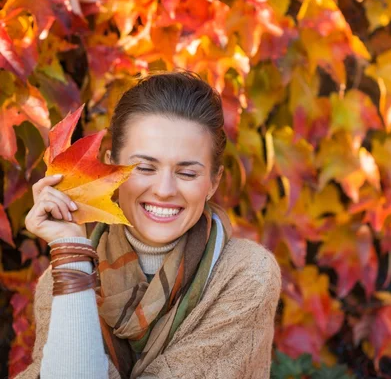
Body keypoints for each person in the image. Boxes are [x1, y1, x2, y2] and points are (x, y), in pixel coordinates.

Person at [17, 70, 281, 379]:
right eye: (144, 167)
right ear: (111, 167)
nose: (165, 189)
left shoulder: (247, 274)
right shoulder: (65, 274)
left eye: (187, 173)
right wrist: (71, 253)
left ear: (213, 182)